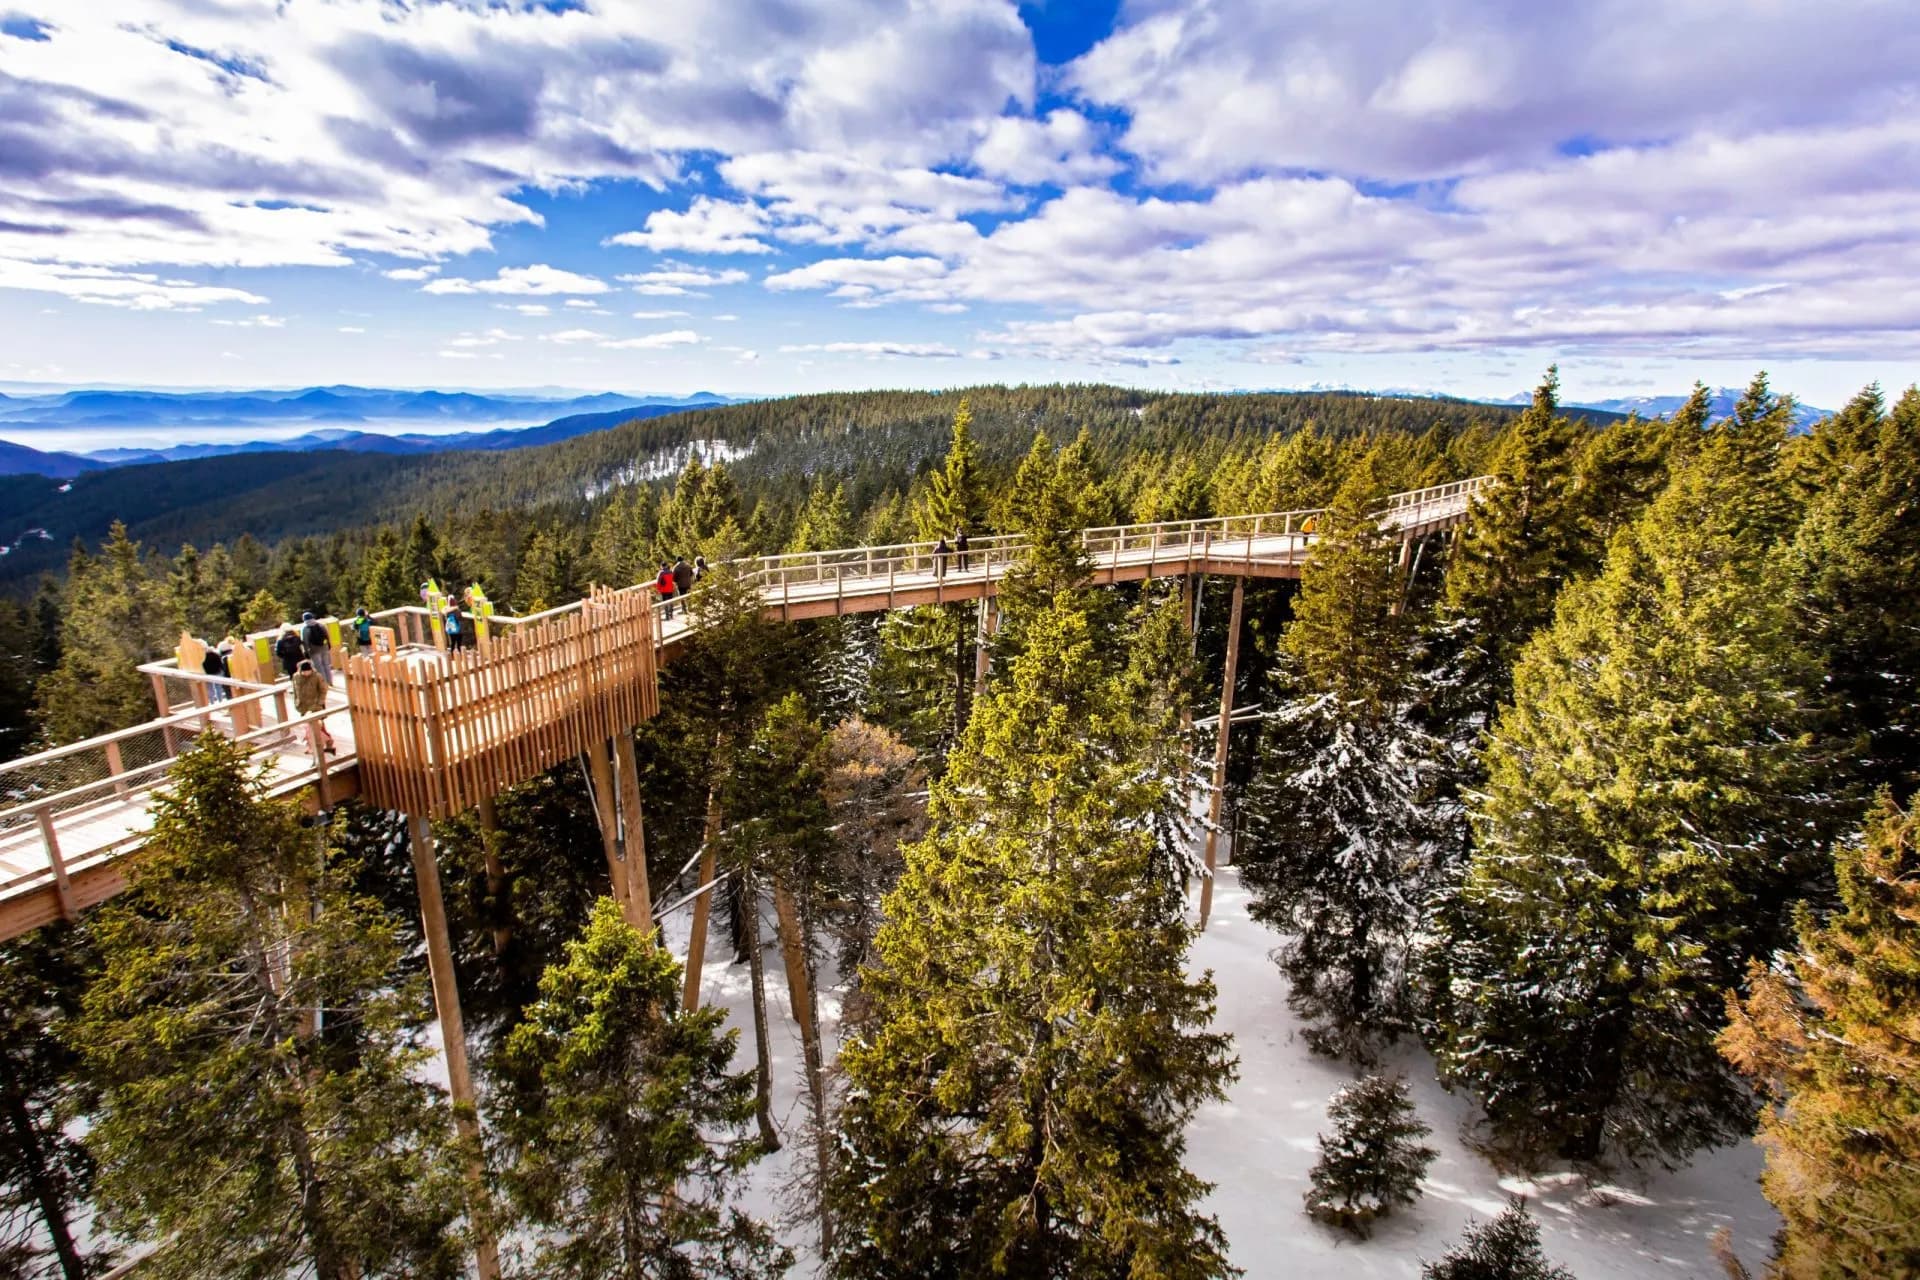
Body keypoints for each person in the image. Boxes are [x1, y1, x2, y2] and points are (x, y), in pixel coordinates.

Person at [291, 658, 335, 753]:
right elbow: (295, 690)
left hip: (315, 705)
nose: (306, 673)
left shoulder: (317, 677)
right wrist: (296, 702)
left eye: (308, 671)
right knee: (307, 727)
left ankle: (328, 742)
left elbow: (323, 690)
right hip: (303, 706)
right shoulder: (296, 677)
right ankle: (312, 746)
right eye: (304, 671)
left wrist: (320, 702)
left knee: (319, 726)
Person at [301, 611, 334, 686]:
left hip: (314, 650)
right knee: (326, 665)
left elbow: (305, 641)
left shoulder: (305, 628)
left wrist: (306, 652)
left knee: (319, 667)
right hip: (324, 648)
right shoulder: (320, 625)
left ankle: (324, 683)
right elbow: (327, 635)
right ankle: (330, 681)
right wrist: (329, 645)